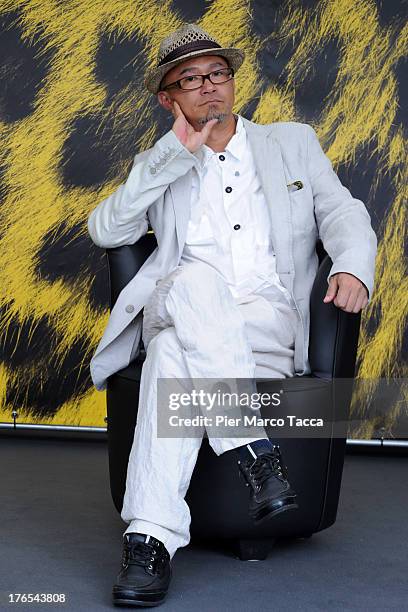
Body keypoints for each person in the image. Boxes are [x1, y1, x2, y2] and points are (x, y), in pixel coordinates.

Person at [87, 23, 377, 608]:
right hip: (181, 302)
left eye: (217, 73)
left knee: (171, 356)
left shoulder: (291, 142)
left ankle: (148, 543)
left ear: (232, 81)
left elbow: (343, 212)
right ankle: (252, 452)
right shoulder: (159, 161)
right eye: (190, 80)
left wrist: (351, 266)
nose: (209, 88)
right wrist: (173, 157)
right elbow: (107, 230)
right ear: (169, 99)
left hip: (265, 322)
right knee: (194, 281)